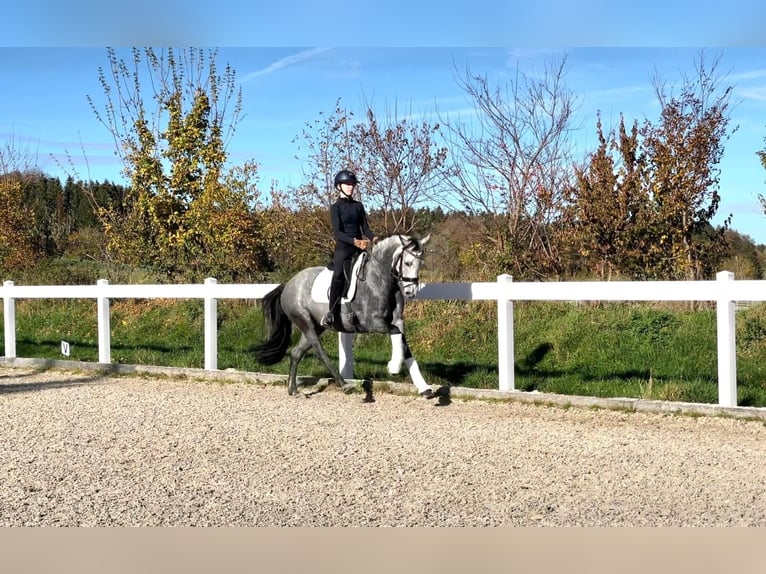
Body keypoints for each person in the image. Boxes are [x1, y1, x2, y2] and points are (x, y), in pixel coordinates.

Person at [321, 169, 376, 327]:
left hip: (359, 247)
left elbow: (365, 228)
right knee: (338, 274)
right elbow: (337, 233)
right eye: (347, 184)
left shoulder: (358, 206)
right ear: (339, 186)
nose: (351, 187)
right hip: (344, 248)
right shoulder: (335, 207)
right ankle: (331, 312)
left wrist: (374, 238)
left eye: (352, 184)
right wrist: (355, 242)